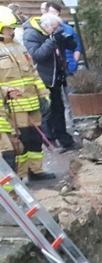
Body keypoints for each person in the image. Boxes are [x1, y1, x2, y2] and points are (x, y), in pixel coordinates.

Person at [0, 7, 54, 181]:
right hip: (14, 108)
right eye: (9, 28)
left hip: (32, 103)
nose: (13, 31)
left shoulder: (19, 46)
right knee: (20, 143)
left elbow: (33, 73)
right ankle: (21, 176)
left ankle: (36, 171)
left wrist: (43, 95)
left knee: (35, 139)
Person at [22, 11, 75, 150]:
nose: (57, 30)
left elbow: (72, 47)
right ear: (46, 26)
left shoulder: (52, 31)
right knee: (47, 112)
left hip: (56, 76)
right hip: (42, 78)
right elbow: (36, 55)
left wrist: (68, 40)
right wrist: (51, 41)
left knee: (59, 108)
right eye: (55, 27)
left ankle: (64, 139)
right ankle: (50, 142)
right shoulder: (31, 34)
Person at [40, 3, 80, 74]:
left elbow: (77, 46)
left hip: (70, 65)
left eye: (56, 12)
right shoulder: (41, 30)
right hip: (53, 68)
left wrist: (75, 61)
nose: (54, 15)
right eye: (52, 12)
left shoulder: (68, 28)